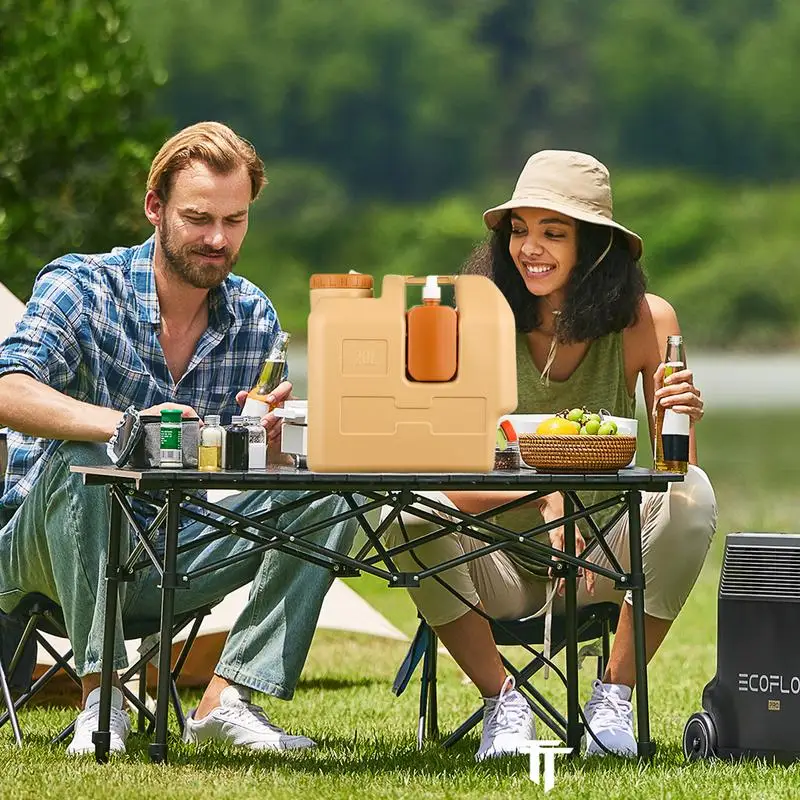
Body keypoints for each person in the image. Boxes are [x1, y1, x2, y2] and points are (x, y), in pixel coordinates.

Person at [0, 122, 359, 756]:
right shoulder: (81, 286)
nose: (218, 239)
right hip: (42, 556)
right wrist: (126, 426)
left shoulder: (253, 315)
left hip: (174, 550)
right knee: (89, 460)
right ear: (155, 207)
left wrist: (270, 445)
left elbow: (238, 465)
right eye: (198, 218)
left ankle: (228, 697)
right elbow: (8, 390)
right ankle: (101, 699)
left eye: (235, 220)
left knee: (328, 485)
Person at [387, 150, 717, 760]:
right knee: (408, 512)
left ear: (594, 245)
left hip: (603, 562)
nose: (529, 248)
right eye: (519, 230)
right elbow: (438, 470)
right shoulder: (474, 318)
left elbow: (676, 477)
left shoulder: (647, 322)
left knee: (695, 495)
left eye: (553, 233)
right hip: (499, 563)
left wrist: (677, 415)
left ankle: (613, 698)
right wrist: (541, 496)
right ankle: (502, 701)